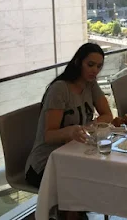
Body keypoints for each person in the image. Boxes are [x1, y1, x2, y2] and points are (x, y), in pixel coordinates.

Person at [25, 43, 113, 189]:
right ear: (78, 62)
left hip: (76, 153)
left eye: (98, 66)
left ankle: (77, 210)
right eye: (90, 64)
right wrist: (70, 131)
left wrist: (86, 127)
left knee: (105, 170)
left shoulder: (90, 85)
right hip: (46, 162)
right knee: (92, 176)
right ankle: (72, 211)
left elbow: (108, 115)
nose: (94, 70)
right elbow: (49, 136)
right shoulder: (60, 89)